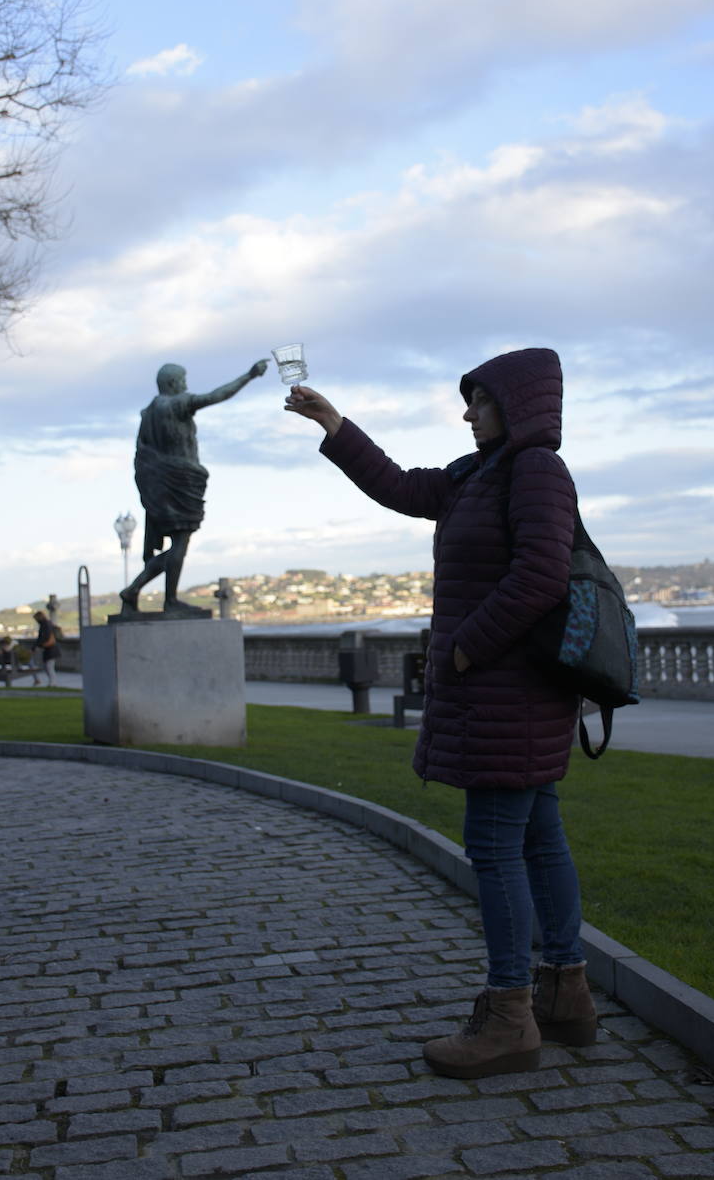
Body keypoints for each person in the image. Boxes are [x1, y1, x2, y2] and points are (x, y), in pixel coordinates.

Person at [285, 347, 597, 1079]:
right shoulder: (475, 476)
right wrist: (335, 425)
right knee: (538, 837)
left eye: (479, 401)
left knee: (494, 844)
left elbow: (541, 577)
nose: (467, 413)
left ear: (517, 405)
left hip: (509, 694)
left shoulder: (536, 471)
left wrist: (462, 649)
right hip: (506, 694)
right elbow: (398, 485)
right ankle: (565, 995)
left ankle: (509, 1017)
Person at [120, 360, 269, 615]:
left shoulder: (149, 412)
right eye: (183, 380)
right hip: (179, 481)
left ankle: (135, 590)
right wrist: (249, 375)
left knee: (179, 543)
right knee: (180, 542)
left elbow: (142, 453)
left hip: (161, 484)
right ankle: (167, 600)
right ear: (172, 383)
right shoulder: (175, 404)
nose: (186, 385)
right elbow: (216, 396)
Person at [32, 610, 60, 687]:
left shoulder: (45, 625)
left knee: (49, 666)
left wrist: (37, 646)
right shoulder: (46, 624)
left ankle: (53, 683)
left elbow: (43, 637)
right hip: (50, 648)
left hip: (51, 648)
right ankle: (52, 682)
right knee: (48, 666)